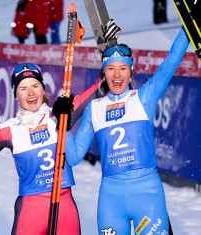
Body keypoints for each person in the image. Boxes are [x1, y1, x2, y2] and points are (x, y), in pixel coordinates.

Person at [53, 26, 190, 234]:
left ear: (131, 70)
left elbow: (171, 61)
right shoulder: (94, 109)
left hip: (147, 193)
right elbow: (73, 158)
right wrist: (63, 123)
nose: (117, 75)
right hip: (111, 198)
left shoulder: (144, 97)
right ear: (104, 71)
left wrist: (186, 28)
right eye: (111, 69)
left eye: (123, 68)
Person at [0, 63, 102, 234]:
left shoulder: (60, 116)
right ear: (15, 95)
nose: (31, 93)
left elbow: (100, 88)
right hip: (30, 211)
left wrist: (108, 56)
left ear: (43, 90)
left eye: (35, 86)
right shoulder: (10, 129)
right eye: (23, 88)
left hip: (65, 207)